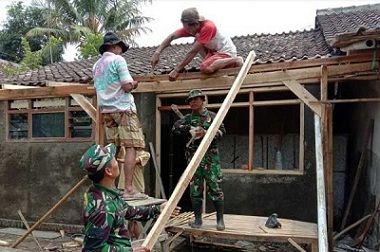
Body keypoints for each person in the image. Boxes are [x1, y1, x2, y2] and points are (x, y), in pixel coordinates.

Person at [80, 143, 181, 251]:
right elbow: (94, 249)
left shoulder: (105, 194)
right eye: (113, 160)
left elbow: (128, 211)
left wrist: (157, 209)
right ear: (108, 171)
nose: (117, 162)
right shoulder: (103, 208)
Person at [92, 31, 147, 200]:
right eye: (120, 48)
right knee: (131, 147)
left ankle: (111, 187)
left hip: (107, 111)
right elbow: (127, 86)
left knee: (113, 149)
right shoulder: (118, 60)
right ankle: (129, 188)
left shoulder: (96, 66)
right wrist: (134, 84)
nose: (121, 52)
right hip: (123, 109)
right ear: (114, 46)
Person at [172, 89, 226, 231]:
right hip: (194, 159)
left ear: (203, 100)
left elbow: (222, 132)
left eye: (196, 99)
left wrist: (207, 133)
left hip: (210, 159)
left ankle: (220, 220)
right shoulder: (188, 118)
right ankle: (197, 220)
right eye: (190, 100)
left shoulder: (213, 116)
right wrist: (188, 129)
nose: (193, 102)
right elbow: (175, 128)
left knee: (215, 188)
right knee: (195, 190)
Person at [151, 7, 243, 81]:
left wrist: (176, 70)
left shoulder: (208, 27)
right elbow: (172, 36)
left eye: (188, 29)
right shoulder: (192, 28)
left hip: (226, 52)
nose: (187, 31)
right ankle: (212, 63)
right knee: (197, 41)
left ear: (194, 24)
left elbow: (192, 52)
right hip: (213, 53)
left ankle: (235, 60)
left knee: (205, 67)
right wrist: (157, 53)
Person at [117, 148, 151, 239]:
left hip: (137, 189)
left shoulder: (145, 154)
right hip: (123, 189)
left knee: (135, 217)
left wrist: (121, 160)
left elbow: (133, 161)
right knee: (126, 217)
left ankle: (141, 240)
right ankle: (134, 240)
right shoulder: (124, 150)